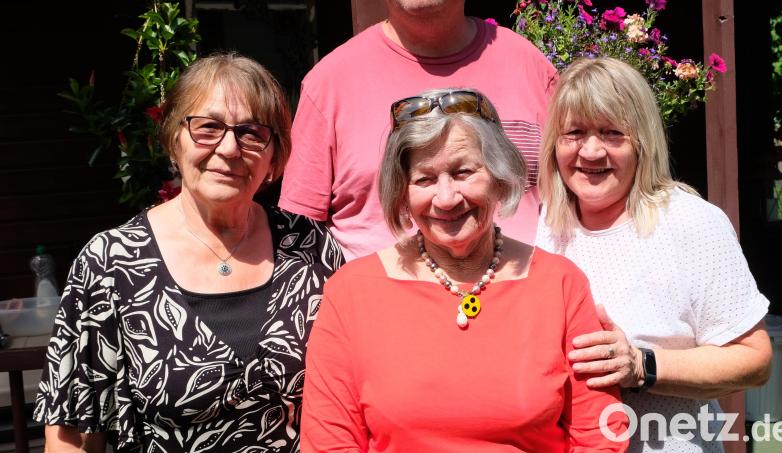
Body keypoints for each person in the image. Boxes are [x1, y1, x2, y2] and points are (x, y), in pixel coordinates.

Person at [34, 53, 343, 453]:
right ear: (173, 139)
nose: (229, 148)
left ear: (274, 155)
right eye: (208, 127)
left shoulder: (310, 247)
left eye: (251, 132)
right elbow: (73, 435)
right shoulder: (111, 263)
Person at [301, 88, 628, 452]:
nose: (446, 198)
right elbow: (329, 442)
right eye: (425, 179)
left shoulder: (560, 284)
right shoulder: (352, 292)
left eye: (463, 172)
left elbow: (600, 433)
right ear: (403, 194)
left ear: (499, 177)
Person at [535, 57, 772, 452]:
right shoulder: (545, 225)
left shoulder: (690, 222)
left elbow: (754, 360)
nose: (590, 151)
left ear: (642, 141)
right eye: (574, 132)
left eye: (612, 133)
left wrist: (640, 365)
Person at [280, 0, 557, 261]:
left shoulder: (528, 65)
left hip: (521, 288)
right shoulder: (330, 81)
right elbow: (299, 236)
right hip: (381, 294)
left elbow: (571, 198)